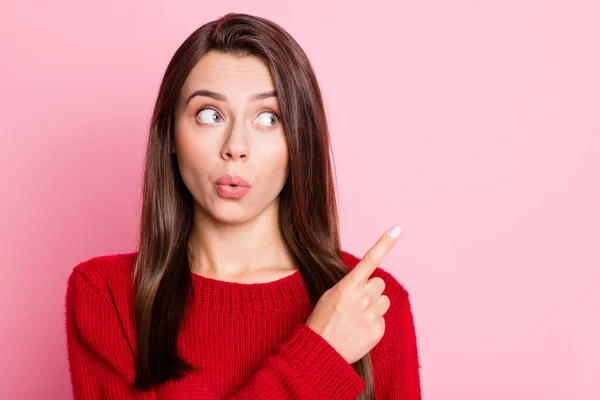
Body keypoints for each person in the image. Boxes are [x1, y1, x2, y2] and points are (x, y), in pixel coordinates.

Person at [64, 12, 421, 399]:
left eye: (268, 118)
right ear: (170, 133)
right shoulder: (107, 297)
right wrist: (320, 355)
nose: (235, 146)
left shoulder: (368, 306)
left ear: (300, 140)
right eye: (210, 114)